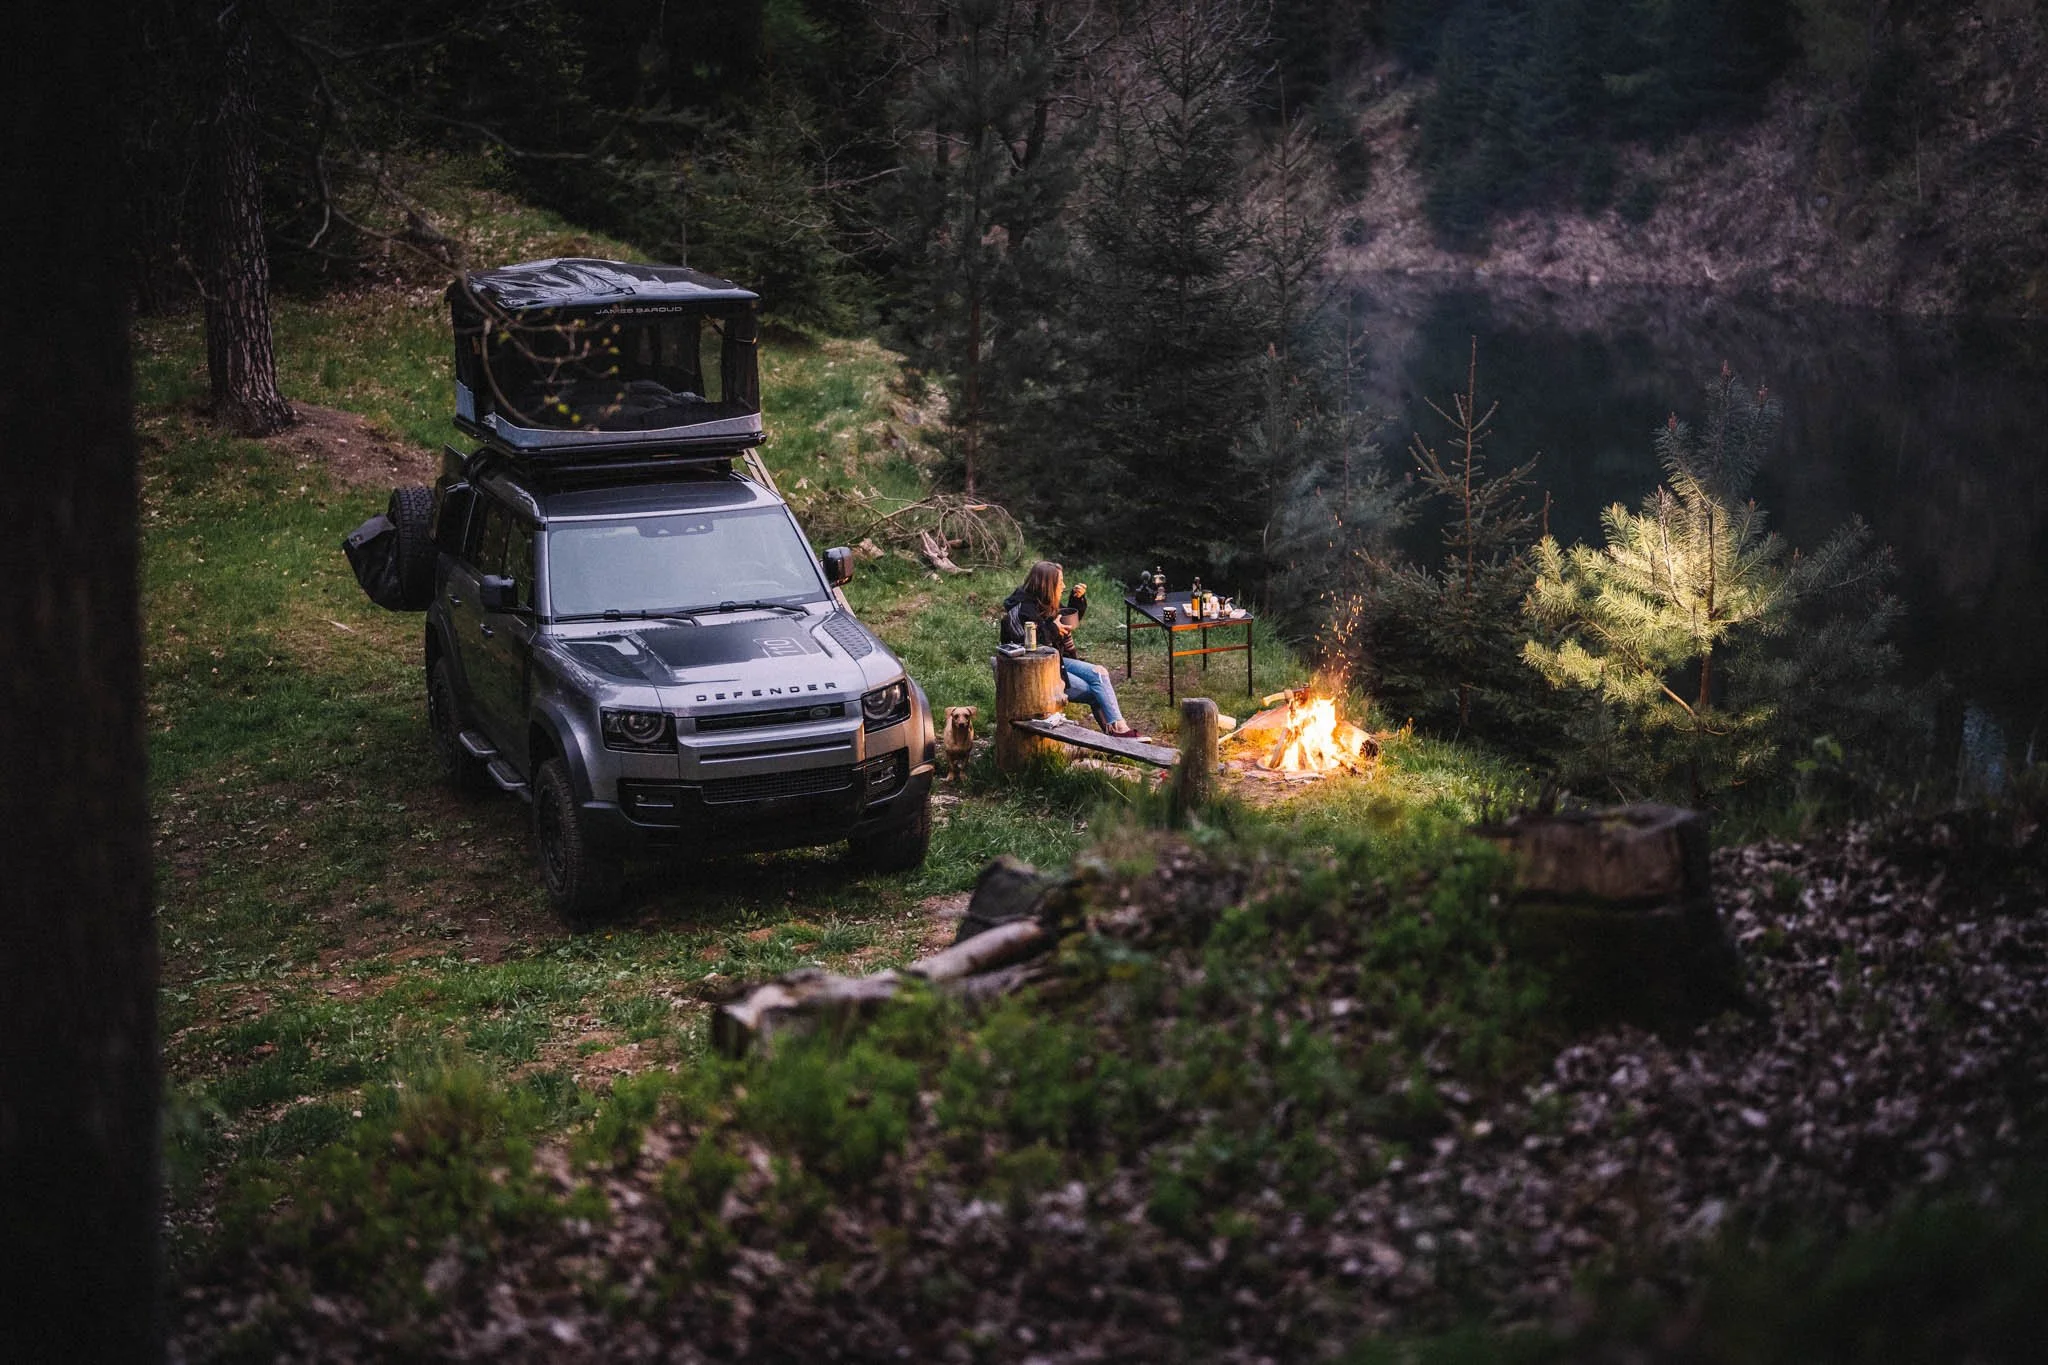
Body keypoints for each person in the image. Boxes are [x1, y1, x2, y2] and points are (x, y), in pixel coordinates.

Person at [1001, 560, 1147, 739]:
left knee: (1099, 673)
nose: (1063, 586)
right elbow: (1032, 652)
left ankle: (1119, 728)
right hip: (1035, 674)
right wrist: (1053, 630)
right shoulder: (1024, 610)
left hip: (1057, 661)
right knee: (1096, 690)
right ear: (1047, 585)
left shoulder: (1043, 601)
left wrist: (1076, 600)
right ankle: (1118, 733)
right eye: (1060, 582)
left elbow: (1066, 617)